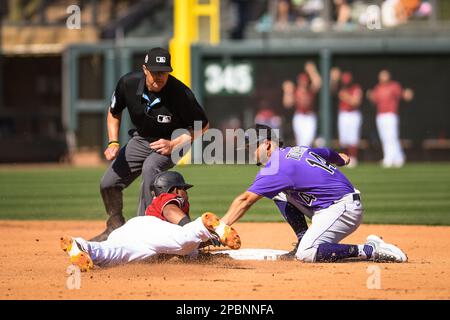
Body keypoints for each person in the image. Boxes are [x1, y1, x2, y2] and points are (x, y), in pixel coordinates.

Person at [221, 124, 408, 263]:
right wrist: (340, 159)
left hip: (343, 209)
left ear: (267, 144)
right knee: (277, 193)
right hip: (329, 207)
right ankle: (303, 238)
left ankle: (369, 249)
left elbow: (245, 200)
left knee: (307, 253)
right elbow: (325, 152)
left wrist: (220, 228)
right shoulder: (297, 150)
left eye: (252, 147)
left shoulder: (277, 167)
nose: (251, 152)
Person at [92, 47, 209, 241]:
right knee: (108, 183)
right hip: (141, 139)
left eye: (163, 72)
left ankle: (144, 232)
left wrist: (174, 143)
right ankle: (114, 226)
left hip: (173, 142)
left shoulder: (180, 93)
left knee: (151, 167)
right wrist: (113, 141)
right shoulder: (128, 84)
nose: (159, 77)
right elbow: (114, 112)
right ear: (145, 69)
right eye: (154, 72)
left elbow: (203, 125)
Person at [61, 171, 240, 271]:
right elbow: (170, 212)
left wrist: (205, 244)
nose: (186, 192)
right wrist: (198, 229)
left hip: (132, 234)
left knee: (107, 256)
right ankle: (203, 225)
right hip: (151, 229)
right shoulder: (169, 199)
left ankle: (80, 245)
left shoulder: (156, 206)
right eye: (184, 189)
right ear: (175, 190)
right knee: (185, 240)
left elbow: (177, 248)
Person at [367, 69, 413, 168]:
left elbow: (403, 95)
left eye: (385, 75)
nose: (383, 77)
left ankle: (390, 158)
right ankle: (398, 158)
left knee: (392, 137)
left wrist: (407, 94)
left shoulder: (394, 86)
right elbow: (374, 100)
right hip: (380, 115)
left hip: (391, 115)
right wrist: (370, 96)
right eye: (381, 76)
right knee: (384, 138)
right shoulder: (378, 88)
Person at [282, 61, 322, 147]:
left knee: (309, 139)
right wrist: (287, 92)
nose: (303, 83)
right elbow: (287, 104)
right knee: (301, 142)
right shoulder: (295, 91)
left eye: (304, 81)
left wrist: (312, 70)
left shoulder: (310, 90)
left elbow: (318, 82)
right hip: (299, 116)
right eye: (301, 81)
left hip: (310, 116)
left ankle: (306, 155)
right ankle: (302, 159)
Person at [331, 69, 363, 167]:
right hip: (343, 114)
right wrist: (333, 79)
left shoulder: (356, 88)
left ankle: (353, 158)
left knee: (353, 138)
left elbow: (356, 102)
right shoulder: (340, 88)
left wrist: (346, 97)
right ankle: (345, 158)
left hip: (353, 114)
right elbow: (332, 90)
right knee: (344, 139)